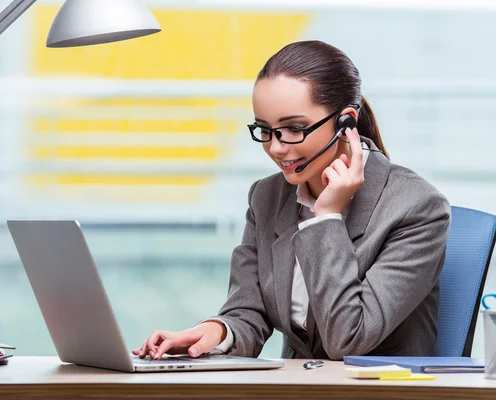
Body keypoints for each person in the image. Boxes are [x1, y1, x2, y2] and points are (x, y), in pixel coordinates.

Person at [132, 40, 450, 361]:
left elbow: (348, 339)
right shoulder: (267, 197)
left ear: (346, 122)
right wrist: (217, 331)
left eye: (294, 128)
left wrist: (325, 217)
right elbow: (248, 311)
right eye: (265, 130)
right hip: (298, 389)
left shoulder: (416, 207)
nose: (276, 148)